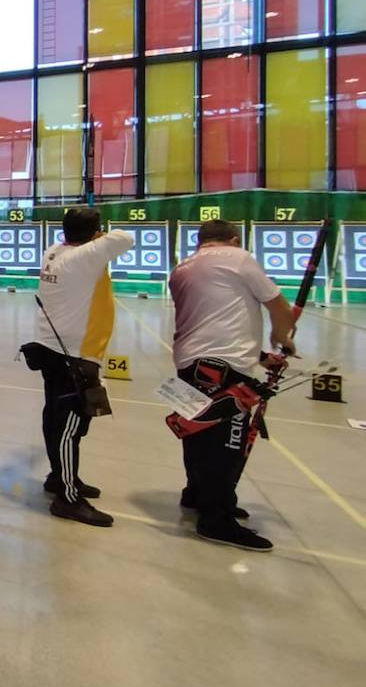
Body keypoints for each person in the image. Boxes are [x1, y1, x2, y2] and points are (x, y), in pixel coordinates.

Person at [166, 219, 297, 552]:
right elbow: (280, 307)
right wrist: (281, 337)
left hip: (190, 364)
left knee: (197, 434)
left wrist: (261, 355)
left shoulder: (183, 266)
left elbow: (215, 318)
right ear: (234, 239)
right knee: (226, 444)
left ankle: (198, 495)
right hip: (223, 370)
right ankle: (217, 518)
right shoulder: (237, 258)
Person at [23, 208, 134, 528]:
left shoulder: (55, 251)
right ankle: (68, 497)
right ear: (95, 233)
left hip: (53, 349)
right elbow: (126, 237)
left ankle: (60, 477)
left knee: (57, 419)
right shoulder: (85, 256)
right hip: (73, 355)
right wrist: (99, 238)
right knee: (69, 427)